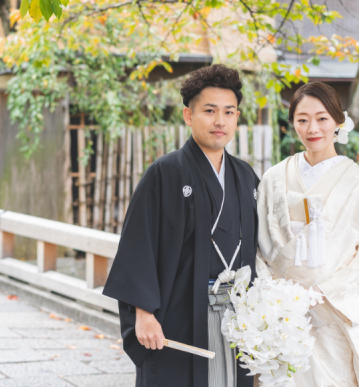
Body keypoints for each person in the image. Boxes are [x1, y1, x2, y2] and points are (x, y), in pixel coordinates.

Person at [103, 64, 260, 387]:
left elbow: (261, 246)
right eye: (210, 111)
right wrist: (143, 315)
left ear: (237, 117)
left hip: (238, 313)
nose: (220, 121)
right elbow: (138, 245)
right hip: (181, 312)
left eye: (229, 112)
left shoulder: (245, 176)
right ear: (189, 116)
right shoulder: (165, 173)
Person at [255, 82, 359, 386]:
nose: (312, 128)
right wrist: (276, 295)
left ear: (337, 122)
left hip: (332, 309)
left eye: (322, 118)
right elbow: (258, 247)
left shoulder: (357, 184)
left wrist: (324, 292)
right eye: (302, 120)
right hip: (286, 312)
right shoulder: (273, 179)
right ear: (292, 124)